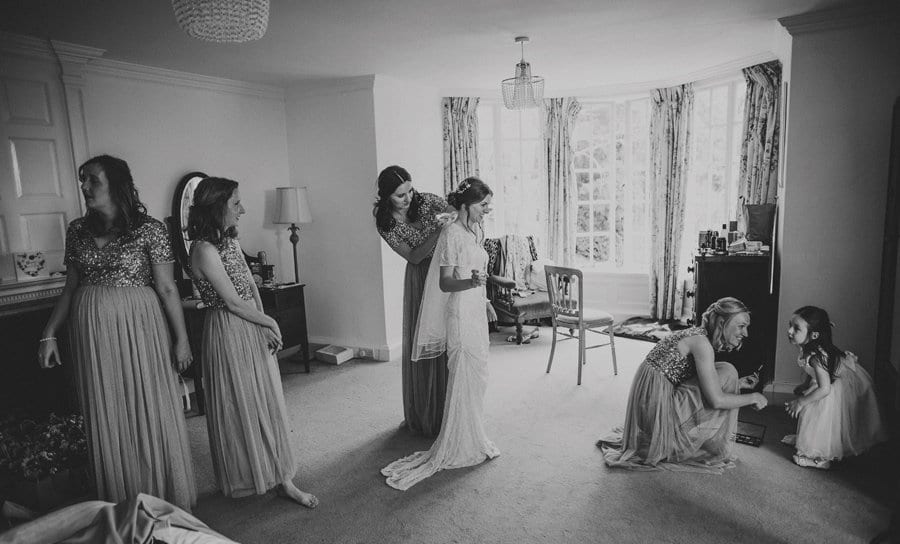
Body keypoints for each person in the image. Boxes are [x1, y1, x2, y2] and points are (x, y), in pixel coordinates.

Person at [37, 155, 196, 509]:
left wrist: (181, 339)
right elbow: (70, 286)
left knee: (146, 400)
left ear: (116, 184)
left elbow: (168, 289)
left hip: (139, 327)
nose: (84, 187)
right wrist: (49, 332)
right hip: (91, 331)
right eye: (82, 180)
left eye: (92, 180)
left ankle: (159, 492)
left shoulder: (150, 229)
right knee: (106, 406)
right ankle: (121, 498)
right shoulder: (77, 230)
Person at [186, 177, 317, 508]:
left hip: (250, 322)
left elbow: (249, 285)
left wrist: (263, 321)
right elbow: (231, 301)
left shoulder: (230, 240)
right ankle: (249, 475)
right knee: (241, 402)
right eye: (235, 204)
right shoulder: (202, 250)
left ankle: (282, 478)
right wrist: (270, 321)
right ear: (217, 207)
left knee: (267, 399)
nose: (242, 209)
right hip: (228, 330)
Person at [382, 177, 500, 490]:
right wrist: (473, 285)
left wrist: (486, 300)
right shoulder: (450, 234)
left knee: (477, 375)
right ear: (465, 204)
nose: (487, 209)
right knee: (462, 372)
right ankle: (457, 442)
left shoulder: (475, 230)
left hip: (476, 308)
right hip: (460, 311)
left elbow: (476, 272)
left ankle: (473, 435)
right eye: (483, 204)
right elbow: (446, 283)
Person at [598, 297, 768, 473]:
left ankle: (675, 436)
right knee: (727, 372)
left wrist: (738, 384)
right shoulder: (702, 345)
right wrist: (753, 397)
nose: (746, 333)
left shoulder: (696, 334)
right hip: (655, 414)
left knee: (727, 371)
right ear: (722, 323)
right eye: (741, 326)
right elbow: (717, 401)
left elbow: (691, 378)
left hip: (649, 405)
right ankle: (671, 438)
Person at [374, 165, 453, 437]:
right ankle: (426, 411)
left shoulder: (428, 200)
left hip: (445, 269)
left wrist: (449, 223)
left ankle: (451, 408)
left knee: (448, 336)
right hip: (421, 277)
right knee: (425, 338)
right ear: (386, 197)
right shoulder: (385, 222)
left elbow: (455, 215)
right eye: (399, 195)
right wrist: (438, 232)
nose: (408, 198)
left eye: (409, 190)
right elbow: (414, 256)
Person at [783, 306, 887, 469]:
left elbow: (825, 389)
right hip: (827, 381)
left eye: (796, 328)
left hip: (835, 386)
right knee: (812, 406)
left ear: (814, 335)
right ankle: (808, 440)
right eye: (790, 325)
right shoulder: (808, 347)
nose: (789, 331)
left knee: (819, 413)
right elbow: (814, 374)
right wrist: (805, 385)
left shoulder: (817, 356)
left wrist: (801, 402)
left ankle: (821, 458)